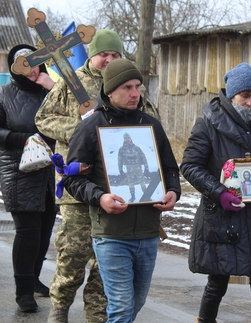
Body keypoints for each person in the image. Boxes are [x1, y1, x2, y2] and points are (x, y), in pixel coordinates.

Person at [63, 59, 181, 322]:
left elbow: (170, 169)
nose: (135, 93)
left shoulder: (151, 125)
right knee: (120, 305)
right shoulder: (90, 127)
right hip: (111, 234)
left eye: (138, 86)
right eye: (127, 87)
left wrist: (173, 191)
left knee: (136, 303)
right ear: (110, 90)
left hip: (149, 232)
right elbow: (72, 179)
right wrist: (100, 196)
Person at [180, 62, 251, 323]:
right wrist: (219, 193)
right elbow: (190, 166)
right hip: (223, 218)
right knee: (217, 283)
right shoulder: (208, 122)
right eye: (245, 96)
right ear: (231, 95)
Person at [35, 29, 124, 323]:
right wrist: (80, 130)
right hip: (77, 185)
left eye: (115, 55)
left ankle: (97, 316)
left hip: (114, 185)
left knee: (105, 262)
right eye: (103, 54)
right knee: (73, 254)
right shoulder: (70, 83)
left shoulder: (128, 84)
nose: (108, 60)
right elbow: (43, 118)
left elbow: (148, 121)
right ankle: (59, 308)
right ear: (92, 54)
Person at [0, 44, 57, 313]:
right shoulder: (3, 94)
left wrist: (53, 87)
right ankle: (23, 291)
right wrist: (22, 139)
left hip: (49, 173)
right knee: (28, 232)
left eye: (34, 61)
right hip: (19, 172)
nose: (31, 67)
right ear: (14, 67)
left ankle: (34, 278)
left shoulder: (51, 92)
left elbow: (80, 114)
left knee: (45, 230)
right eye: (23, 62)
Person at [118, 132, 149, 202]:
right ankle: (133, 196)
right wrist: (120, 170)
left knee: (142, 182)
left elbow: (143, 157)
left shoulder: (136, 148)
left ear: (130, 138)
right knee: (131, 183)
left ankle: (147, 195)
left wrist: (146, 168)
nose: (127, 139)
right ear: (124, 139)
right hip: (129, 170)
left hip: (138, 168)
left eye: (128, 138)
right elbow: (119, 160)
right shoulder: (121, 149)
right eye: (126, 138)